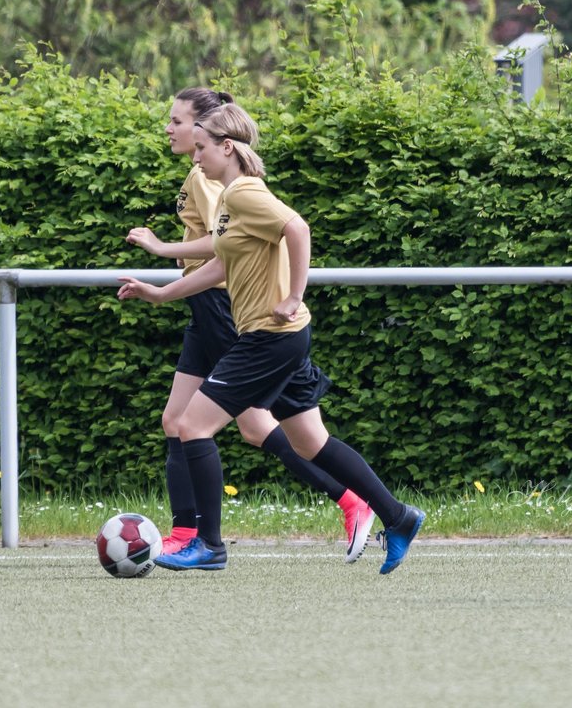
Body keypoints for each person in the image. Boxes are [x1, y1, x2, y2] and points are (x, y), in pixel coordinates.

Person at [118, 102, 424, 574]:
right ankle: (398, 517)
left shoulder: (243, 193)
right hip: (282, 337)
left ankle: (210, 547)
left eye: (202, 148)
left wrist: (293, 293)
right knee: (310, 443)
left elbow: (297, 227)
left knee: (190, 426)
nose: (195, 158)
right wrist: (161, 294)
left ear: (227, 147)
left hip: (270, 337)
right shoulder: (228, 198)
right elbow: (221, 264)